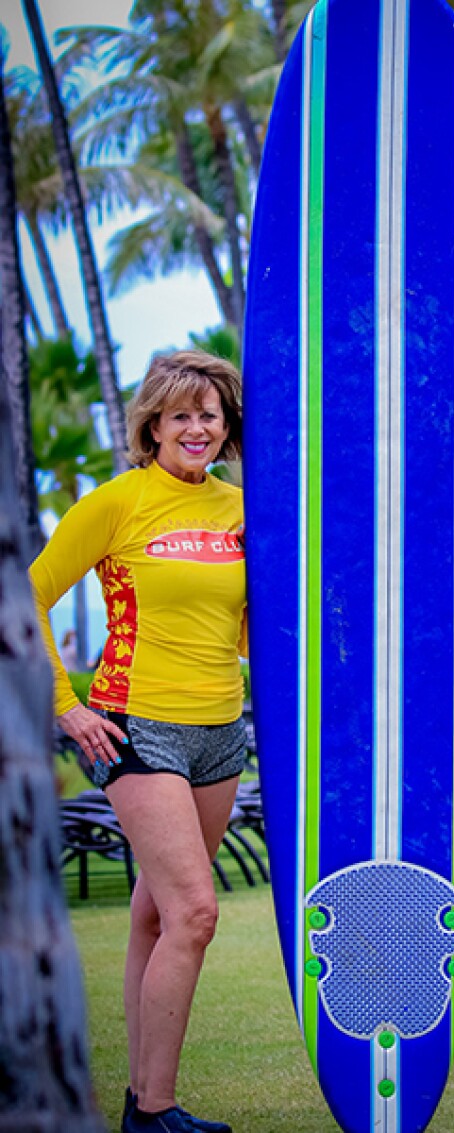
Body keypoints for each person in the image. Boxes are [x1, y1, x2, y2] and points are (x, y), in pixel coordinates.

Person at [30, 350, 247, 1133]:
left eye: (210, 414)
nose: (197, 427)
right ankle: (152, 1110)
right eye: (181, 413)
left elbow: (249, 630)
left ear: (226, 429)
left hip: (223, 730)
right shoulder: (117, 503)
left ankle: (138, 1091)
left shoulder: (238, 510)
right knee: (195, 911)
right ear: (152, 423)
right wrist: (66, 707)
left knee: (155, 916)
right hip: (136, 727)